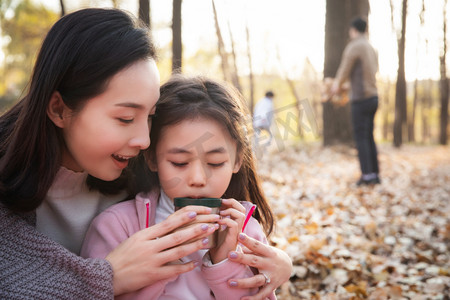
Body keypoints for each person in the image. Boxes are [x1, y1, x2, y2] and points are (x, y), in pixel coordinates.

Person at [0, 8, 291, 299]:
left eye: (150, 117)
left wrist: (275, 264)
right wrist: (107, 278)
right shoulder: (117, 220)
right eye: (126, 118)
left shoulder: (146, 175)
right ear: (59, 109)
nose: (144, 140)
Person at [81, 75, 278, 299]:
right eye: (179, 163)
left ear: (237, 161)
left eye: (215, 163)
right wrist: (159, 263)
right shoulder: (117, 227)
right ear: (152, 159)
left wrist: (224, 262)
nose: (197, 178)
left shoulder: (246, 232)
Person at [332, 16, 380, 186]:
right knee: (369, 136)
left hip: (361, 98)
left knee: (361, 137)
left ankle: (367, 175)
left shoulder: (354, 46)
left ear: (353, 30)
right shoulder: (372, 48)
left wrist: (336, 85)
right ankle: (374, 173)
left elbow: (345, 68)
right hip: (374, 97)